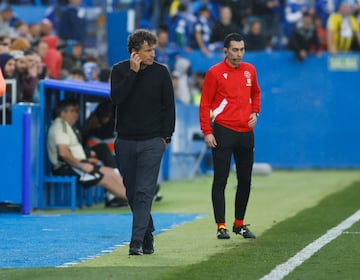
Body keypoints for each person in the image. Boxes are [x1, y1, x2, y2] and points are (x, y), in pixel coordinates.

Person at [110, 29, 175, 255]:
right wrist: (133, 73)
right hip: (125, 141)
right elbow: (117, 99)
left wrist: (166, 137)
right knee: (131, 191)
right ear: (134, 53)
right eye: (148, 50)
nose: (153, 54)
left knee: (144, 192)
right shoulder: (119, 71)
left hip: (152, 141)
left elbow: (169, 107)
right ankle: (147, 233)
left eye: (153, 49)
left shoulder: (162, 72)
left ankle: (135, 242)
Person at [199, 33, 261, 240]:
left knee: (245, 181)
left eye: (242, 49)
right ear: (225, 51)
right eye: (235, 50)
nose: (239, 54)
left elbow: (256, 93)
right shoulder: (214, 73)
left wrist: (256, 112)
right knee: (221, 180)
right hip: (223, 131)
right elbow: (205, 103)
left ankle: (239, 224)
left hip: (246, 133)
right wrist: (207, 131)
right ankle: (221, 226)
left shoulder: (250, 70)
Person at [47, 98, 127, 202]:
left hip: (76, 164)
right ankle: (134, 201)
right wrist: (82, 165)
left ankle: (135, 197)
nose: (76, 114)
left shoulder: (68, 126)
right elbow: (63, 152)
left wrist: (86, 161)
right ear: (62, 113)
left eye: (77, 111)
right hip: (67, 167)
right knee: (106, 178)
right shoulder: (60, 126)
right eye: (72, 111)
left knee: (111, 172)